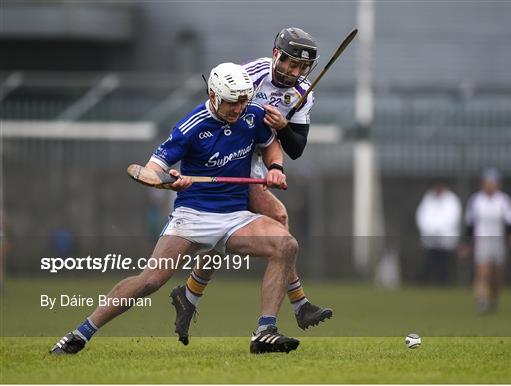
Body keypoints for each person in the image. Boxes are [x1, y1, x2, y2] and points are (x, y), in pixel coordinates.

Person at [51, 62, 300, 355]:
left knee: (285, 245)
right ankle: (80, 333)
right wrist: (169, 182)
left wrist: (274, 167)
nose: (239, 108)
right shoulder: (190, 127)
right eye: (232, 102)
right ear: (213, 95)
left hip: (235, 217)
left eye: (243, 100)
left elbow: (270, 145)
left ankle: (265, 332)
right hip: (192, 217)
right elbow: (153, 168)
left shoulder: (252, 115)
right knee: (150, 281)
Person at [173, 28, 332, 345]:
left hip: (258, 158)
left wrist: (283, 127)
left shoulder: (304, 93)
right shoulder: (253, 74)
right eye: (289, 64)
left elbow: (297, 147)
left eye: (301, 68)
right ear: (276, 55)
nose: (294, 72)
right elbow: (217, 109)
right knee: (279, 218)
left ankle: (189, 296)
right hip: (229, 155)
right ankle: (299, 304)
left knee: (222, 236)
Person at [462, 168, 511, 313]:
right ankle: (481, 300)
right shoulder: (476, 200)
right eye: (488, 182)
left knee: (496, 275)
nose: (490, 185)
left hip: (498, 241)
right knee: (482, 271)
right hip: (482, 240)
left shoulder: (503, 200)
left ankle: (494, 298)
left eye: (493, 182)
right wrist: (465, 244)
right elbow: (469, 224)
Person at [415, 182, 462, 284]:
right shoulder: (428, 198)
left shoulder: (451, 199)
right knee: (430, 261)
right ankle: (426, 283)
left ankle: (444, 283)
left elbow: (453, 218)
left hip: (446, 238)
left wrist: (440, 230)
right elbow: (422, 216)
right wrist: (430, 230)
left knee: (444, 263)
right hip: (430, 238)